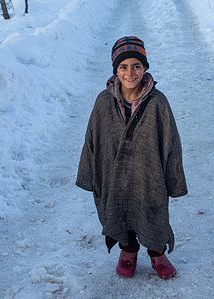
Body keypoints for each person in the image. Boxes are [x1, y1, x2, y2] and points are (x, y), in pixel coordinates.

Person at [76, 36, 187, 279]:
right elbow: (91, 139)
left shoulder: (158, 102)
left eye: (136, 66)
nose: (130, 73)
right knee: (118, 206)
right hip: (113, 172)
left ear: (145, 68)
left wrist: (175, 181)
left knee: (152, 205)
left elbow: (172, 143)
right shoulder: (103, 102)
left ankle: (157, 251)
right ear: (116, 70)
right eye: (123, 67)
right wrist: (88, 175)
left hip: (150, 173)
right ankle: (128, 248)